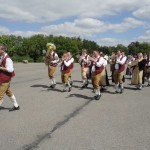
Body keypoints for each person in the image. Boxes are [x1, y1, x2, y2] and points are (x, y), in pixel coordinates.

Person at [0, 44, 20, 111]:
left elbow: (10, 69)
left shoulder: (7, 59)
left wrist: (1, 68)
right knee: (8, 92)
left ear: (2, 50)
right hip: (3, 78)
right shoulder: (2, 56)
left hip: (5, 79)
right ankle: (16, 106)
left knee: (0, 95)